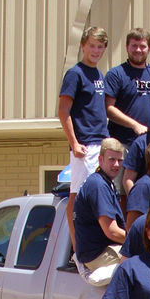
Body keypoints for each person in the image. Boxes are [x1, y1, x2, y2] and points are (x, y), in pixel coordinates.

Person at [58, 26, 110, 247]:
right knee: (78, 194)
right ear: (83, 46)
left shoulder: (99, 75)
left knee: (99, 193)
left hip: (101, 141)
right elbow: (63, 111)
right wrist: (74, 143)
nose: (95, 51)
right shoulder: (75, 74)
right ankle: (77, 245)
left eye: (100, 47)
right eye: (92, 46)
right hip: (85, 144)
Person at [104, 28, 150, 148]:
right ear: (127, 47)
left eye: (142, 46)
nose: (138, 50)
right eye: (134, 46)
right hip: (122, 142)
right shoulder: (116, 74)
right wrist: (134, 125)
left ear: (149, 48)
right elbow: (108, 108)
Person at [73, 139, 126, 286]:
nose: (116, 164)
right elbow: (112, 232)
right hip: (97, 254)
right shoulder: (98, 185)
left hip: (99, 251)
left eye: (119, 160)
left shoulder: (104, 183)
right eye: (112, 159)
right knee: (142, 266)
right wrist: (143, 241)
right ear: (100, 159)